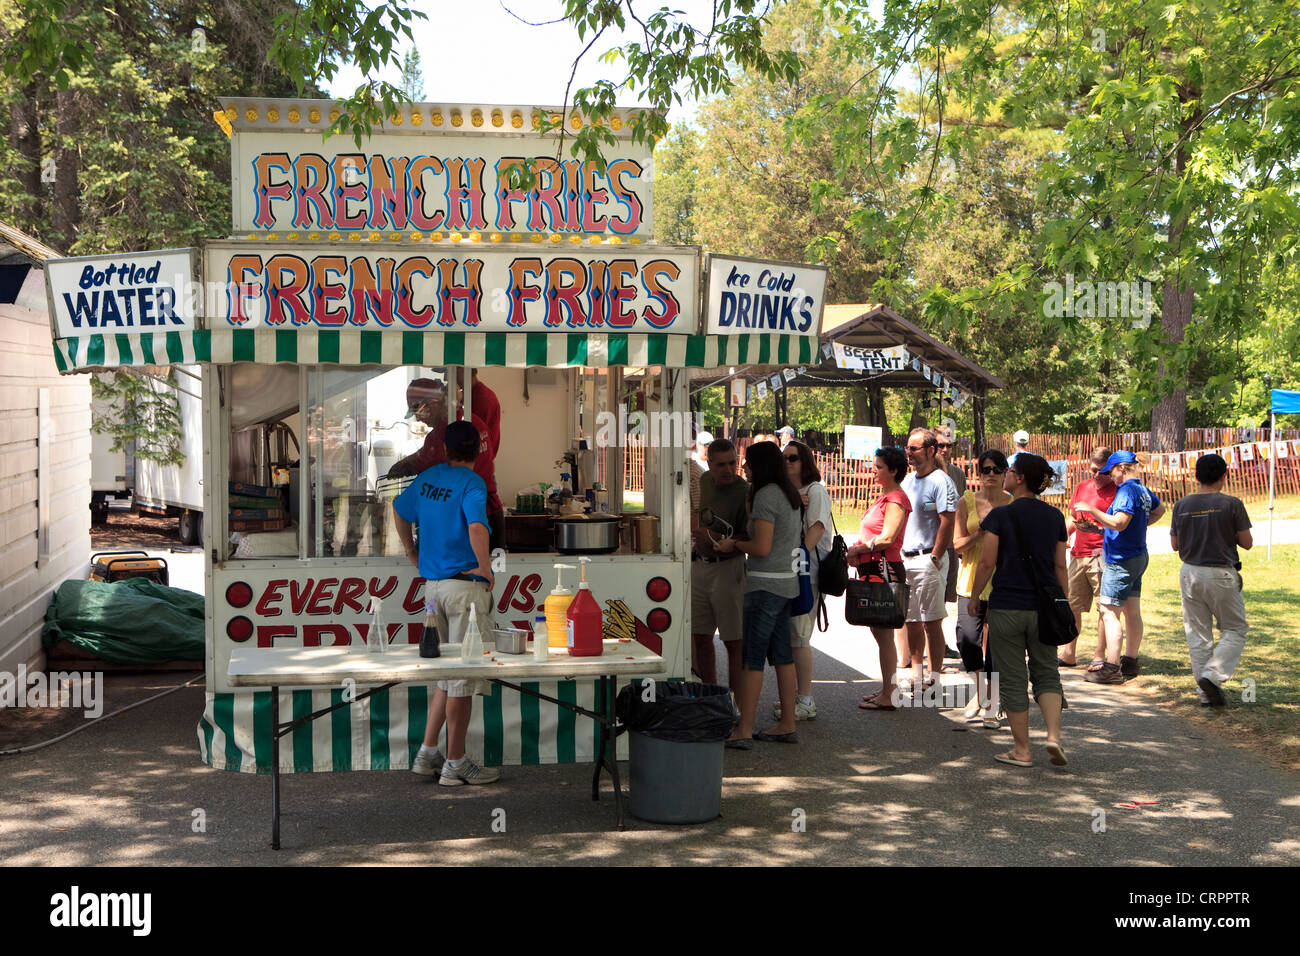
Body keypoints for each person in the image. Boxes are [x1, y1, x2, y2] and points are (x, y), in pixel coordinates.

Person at [394, 420, 500, 786]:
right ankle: (455, 763)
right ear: (479, 451)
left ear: (444, 449)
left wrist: (411, 550)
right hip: (464, 590)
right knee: (463, 679)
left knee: (445, 676)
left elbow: (398, 507)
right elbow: (475, 527)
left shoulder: (428, 477)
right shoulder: (473, 483)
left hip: (433, 591)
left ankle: (427, 754)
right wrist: (485, 569)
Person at [967, 453, 1069, 769]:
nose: (1006, 475)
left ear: (1020, 478)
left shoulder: (1000, 517)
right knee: (1047, 672)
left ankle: (1022, 750)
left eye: (1010, 470)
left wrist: (974, 597)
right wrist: (1062, 604)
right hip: (1043, 609)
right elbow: (1059, 567)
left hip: (1007, 606)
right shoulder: (1055, 518)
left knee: (1012, 679)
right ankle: (1053, 735)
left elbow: (986, 562)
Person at [714, 441, 803, 748]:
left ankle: (744, 729)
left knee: (751, 658)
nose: (744, 468)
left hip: (765, 586)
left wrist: (734, 545)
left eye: (748, 463)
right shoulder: (788, 493)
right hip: (786, 584)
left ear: (759, 465)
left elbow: (762, 547)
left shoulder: (767, 495)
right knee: (783, 656)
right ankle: (787, 723)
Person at [1075, 450, 1166, 684]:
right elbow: (1159, 510)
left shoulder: (1126, 490)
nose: (1110, 477)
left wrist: (1091, 510)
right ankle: (1130, 661)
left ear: (1122, 469)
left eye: (1111, 471)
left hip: (1121, 559)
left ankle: (1112, 667)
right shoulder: (1141, 489)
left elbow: (1120, 522)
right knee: (1131, 611)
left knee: (1108, 610)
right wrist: (1098, 529)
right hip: (1137, 555)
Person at [1170, 453, 1253, 706]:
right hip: (1221, 573)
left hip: (1189, 572)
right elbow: (1247, 543)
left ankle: (1206, 693)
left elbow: (1174, 545)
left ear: (1196, 476)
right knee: (1235, 629)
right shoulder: (1232, 504)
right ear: (1224, 476)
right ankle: (1212, 676)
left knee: (1198, 633)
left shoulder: (1181, 505)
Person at [388, 378, 504, 550]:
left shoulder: (442, 435)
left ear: (433, 403)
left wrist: (407, 464)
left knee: (461, 574)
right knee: (489, 573)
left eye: (418, 411)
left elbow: (429, 473)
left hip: (465, 522)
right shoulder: (472, 421)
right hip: (491, 515)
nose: (419, 419)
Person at [846, 446, 912, 711]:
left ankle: (890, 693)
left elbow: (887, 538)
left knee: (884, 634)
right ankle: (888, 688)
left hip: (885, 570)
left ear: (893, 470)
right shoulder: (884, 497)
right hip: (873, 569)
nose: (873, 469)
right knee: (878, 631)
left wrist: (858, 549)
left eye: (879, 466)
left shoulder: (896, 498)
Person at [896, 428, 958, 694]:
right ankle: (916, 672)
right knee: (911, 620)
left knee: (931, 620)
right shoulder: (908, 481)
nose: (909, 453)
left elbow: (948, 520)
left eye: (914, 448)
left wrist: (935, 555)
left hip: (927, 559)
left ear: (930, 451)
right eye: (907, 448)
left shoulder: (941, 481)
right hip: (905, 558)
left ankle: (934, 677)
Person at [952, 449, 1011, 726]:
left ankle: (990, 704)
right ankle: (982, 692)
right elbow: (957, 545)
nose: (990, 475)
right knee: (967, 639)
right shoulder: (966, 501)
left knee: (997, 645)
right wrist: (980, 533)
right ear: (978, 473)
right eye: (985, 469)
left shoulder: (1012, 503)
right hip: (970, 580)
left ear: (1005, 474)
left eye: (996, 470)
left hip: (1003, 581)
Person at [775, 440, 832, 721]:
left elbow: (817, 529)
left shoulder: (816, 491)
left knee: (799, 638)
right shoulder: (790, 493)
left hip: (804, 574)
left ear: (805, 462)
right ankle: (795, 698)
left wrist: (798, 561)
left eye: (793, 458)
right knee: (792, 638)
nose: (787, 462)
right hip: (791, 572)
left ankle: (806, 699)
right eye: (783, 457)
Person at [691, 438, 749, 690]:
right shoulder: (703, 481)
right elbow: (699, 512)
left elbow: (753, 534)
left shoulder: (744, 491)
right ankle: (711, 694)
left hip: (729, 568)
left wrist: (730, 541)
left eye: (732, 463)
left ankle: (734, 702)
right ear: (709, 463)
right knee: (700, 636)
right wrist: (698, 529)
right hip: (701, 565)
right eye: (721, 465)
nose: (728, 470)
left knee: (733, 641)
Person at [1061, 447, 1117, 668]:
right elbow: (1074, 518)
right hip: (1078, 555)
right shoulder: (1083, 486)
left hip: (1102, 555)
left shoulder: (1117, 491)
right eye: (1092, 470)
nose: (1095, 475)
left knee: (1103, 608)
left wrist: (1096, 518)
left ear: (1111, 470)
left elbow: (1118, 523)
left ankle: (1099, 655)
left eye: (1101, 472)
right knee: (1073, 606)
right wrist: (1062, 535)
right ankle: (1069, 653)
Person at [935, 424, 967, 630]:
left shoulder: (958, 474)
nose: (945, 450)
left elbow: (961, 509)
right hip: (930, 544)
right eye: (940, 445)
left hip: (951, 545)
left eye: (949, 445)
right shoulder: (924, 472)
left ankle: (937, 641)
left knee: (945, 596)